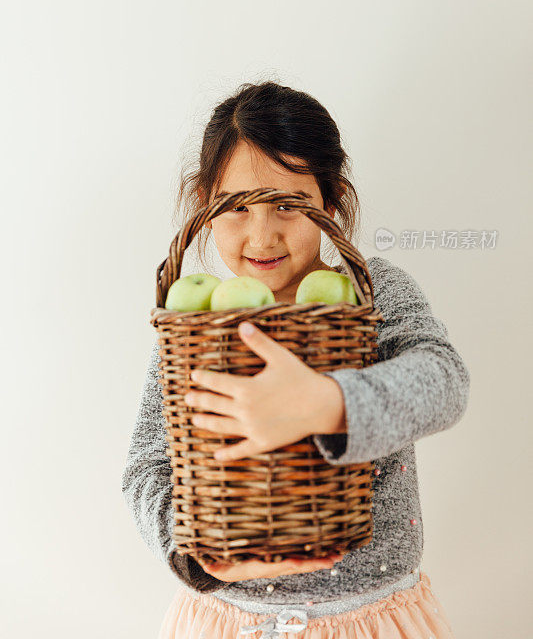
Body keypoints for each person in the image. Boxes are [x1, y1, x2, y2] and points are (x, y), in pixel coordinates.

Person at [121, 81, 470, 638]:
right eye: (238, 208)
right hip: (229, 620)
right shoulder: (198, 326)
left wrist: (327, 403)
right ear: (207, 209)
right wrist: (198, 557)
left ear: (330, 203)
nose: (263, 233)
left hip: (372, 619)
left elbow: (444, 381)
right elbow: (147, 466)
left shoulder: (369, 294)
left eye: (289, 205)